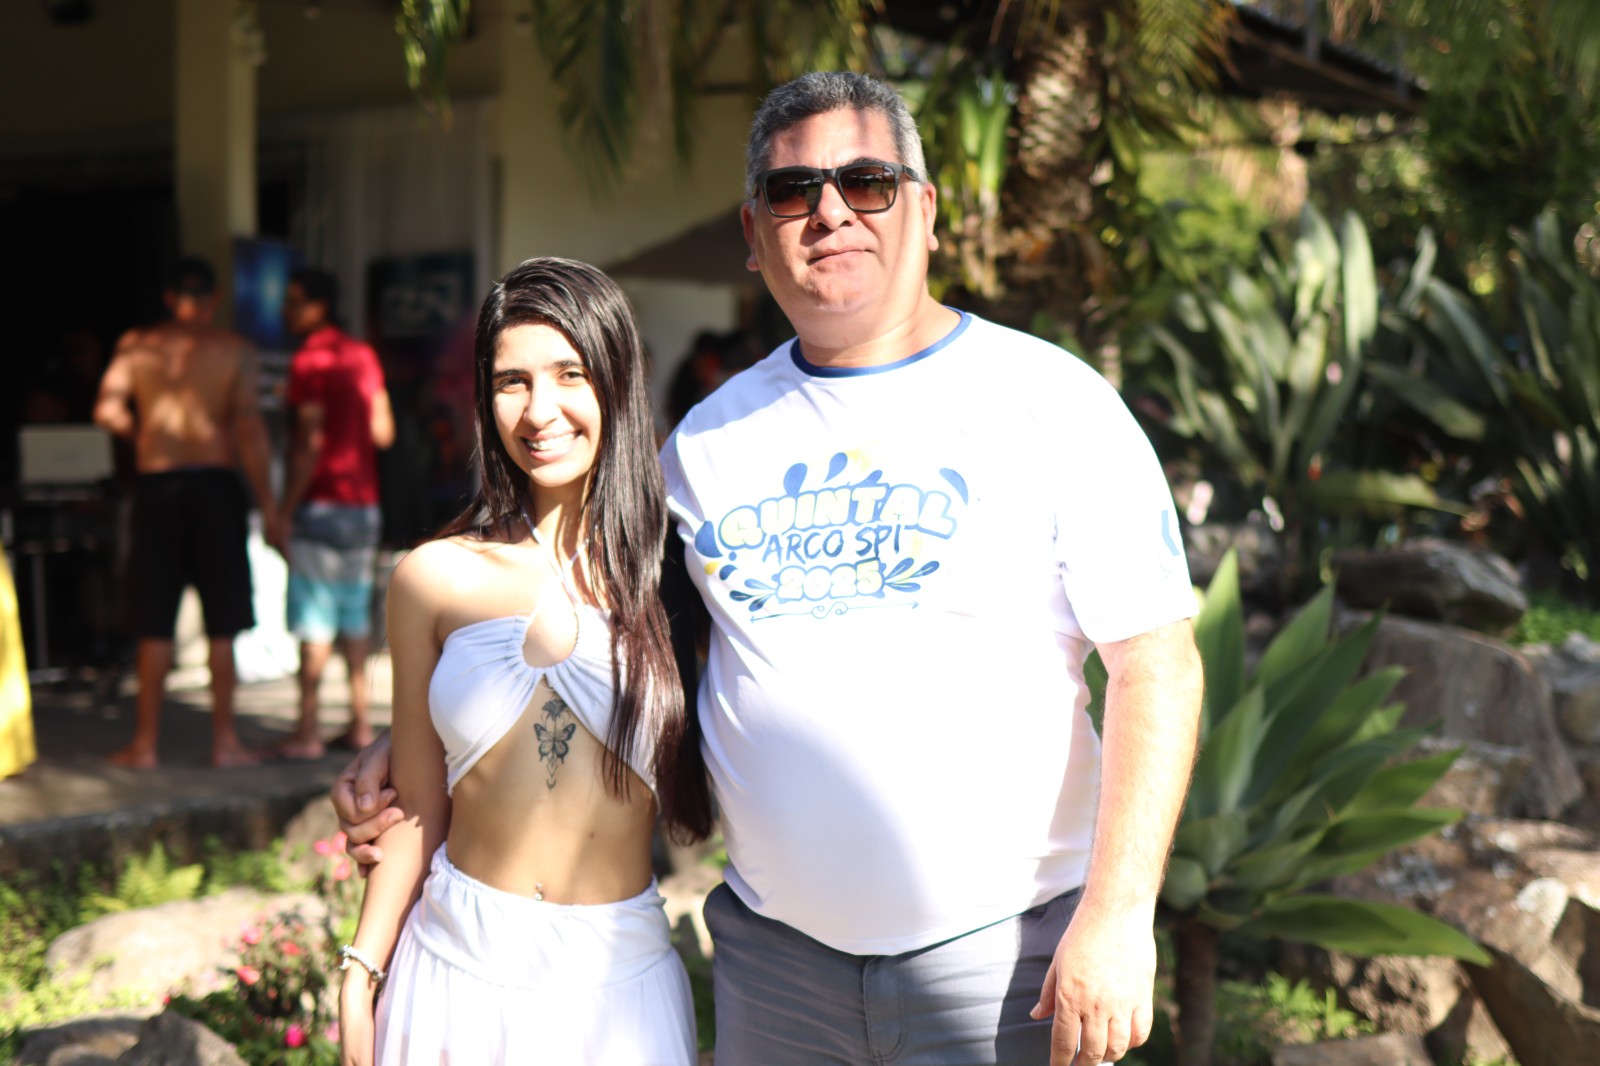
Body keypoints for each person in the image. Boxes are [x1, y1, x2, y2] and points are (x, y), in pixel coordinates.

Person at [336, 72, 1204, 1066]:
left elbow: (1155, 667)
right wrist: (421, 737)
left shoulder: (1050, 399)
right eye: (794, 192)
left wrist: (1119, 914)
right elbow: (582, 610)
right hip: (777, 975)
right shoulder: (703, 444)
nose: (829, 211)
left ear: (925, 211)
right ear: (754, 233)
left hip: (999, 964)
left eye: (866, 181)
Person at [336, 258, 711, 1065]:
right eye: (512, 382)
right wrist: (362, 966)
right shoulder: (432, 577)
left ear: (618, 380)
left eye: (570, 374)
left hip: (619, 984)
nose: (540, 411)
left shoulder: (682, 574)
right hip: (451, 968)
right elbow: (418, 805)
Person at [94, 257, 284, 769]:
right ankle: (225, 743)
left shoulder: (137, 345)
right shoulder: (234, 350)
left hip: (157, 485)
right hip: (215, 485)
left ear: (169, 298)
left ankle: (144, 744)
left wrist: (145, 434)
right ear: (214, 300)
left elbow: (106, 410)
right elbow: (249, 429)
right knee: (223, 622)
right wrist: (270, 507)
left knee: (153, 620)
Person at [275, 269, 395, 760]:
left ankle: (306, 731)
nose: (285, 311)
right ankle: (360, 723)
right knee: (353, 618)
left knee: (314, 621)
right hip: (363, 503)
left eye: (294, 301)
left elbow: (309, 442)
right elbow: (383, 432)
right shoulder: (362, 355)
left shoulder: (310, 359)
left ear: (319, 306)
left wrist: (283, 510)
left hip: (321, 501)